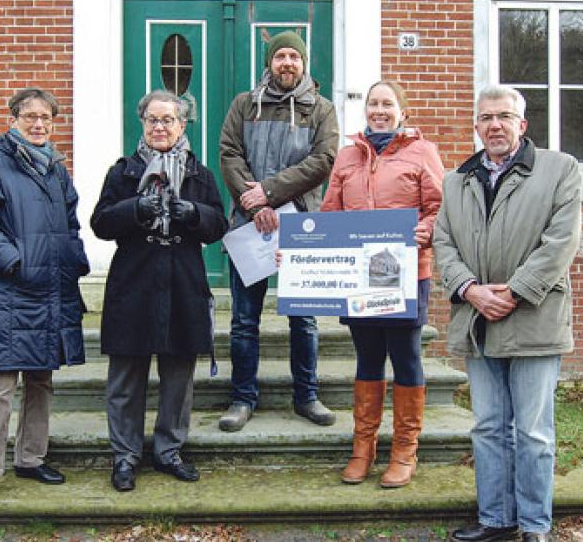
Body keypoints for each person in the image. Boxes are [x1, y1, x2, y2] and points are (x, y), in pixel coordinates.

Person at [434, 85, 582, 542]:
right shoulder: (457, 180)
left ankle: (535, 525)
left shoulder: (559, 169)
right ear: (477, 126)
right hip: (478, 322)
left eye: (503, 116)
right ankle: (497, 519)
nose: (494, 125)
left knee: (533, 432)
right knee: (488, 428)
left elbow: (561, 241)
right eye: (485, 118)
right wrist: (470, 290)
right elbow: (444, 242)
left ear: (522, 124)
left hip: (534, 319)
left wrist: (514, 291)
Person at [0, 87, 90, 508]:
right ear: (13, 119)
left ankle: (31, 458)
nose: (38, 124)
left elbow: (70, 224)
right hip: (6, 290)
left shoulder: (55, 170)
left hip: (48, 289)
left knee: (40, 379)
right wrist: (16, 262)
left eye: (46, 118)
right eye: (30, 116)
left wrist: (74, 261)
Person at [91, 90, 227, 492]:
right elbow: (100, 223)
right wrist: (133, 209)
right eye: (153, 119)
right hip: (134, 282)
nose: (160, 127)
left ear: (182, 125)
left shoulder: (200, 174)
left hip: (183, 282)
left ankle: (169, 451)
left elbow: (219, 225)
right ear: (143, 123)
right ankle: (125, 455)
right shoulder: (123, 172)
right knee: (126, 377)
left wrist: (195, 213)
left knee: (178, 377)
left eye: (168, 120)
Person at [320, 80, 444, 488]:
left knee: (405, 356)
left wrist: (426, 230)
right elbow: (330, 213)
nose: (379, 110)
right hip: (359, 275)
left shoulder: (422, 152)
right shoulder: (347, 155)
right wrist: (305, 253)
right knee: (367, 357)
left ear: (402, 112)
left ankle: (405, 450)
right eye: (373, 103)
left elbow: (439, 207)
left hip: (405, 273)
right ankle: (363, 448)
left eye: (387, 104)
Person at [217, 30, 340, 432]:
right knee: (243, 320)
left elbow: (324, 160)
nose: (287, 62)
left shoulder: (321, 109)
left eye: (294, 56)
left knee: (303, 319)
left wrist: (269, 192)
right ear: (269, 62)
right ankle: (242, 398)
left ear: (304, 63)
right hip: (248, 225)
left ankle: (307, 396)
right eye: (280, 56)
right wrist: (255, 205)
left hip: (301, 227)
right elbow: (229, 153)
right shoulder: (244, 105)